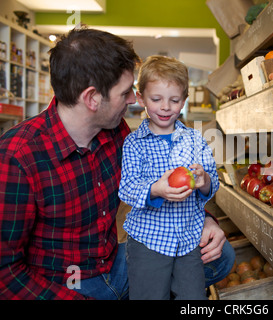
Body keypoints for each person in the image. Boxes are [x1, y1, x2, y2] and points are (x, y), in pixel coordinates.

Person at [0, 27, 234, 300]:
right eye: (125, 93)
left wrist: (204, 220)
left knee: (221, 255)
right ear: (92, 98)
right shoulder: (18, 157)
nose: (135, 100)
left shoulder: (115, 130)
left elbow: (160, 181)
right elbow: (6, 272)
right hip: (68, 285)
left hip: (116, 265)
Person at [118, 55, 220, 300]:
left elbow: (212, 181)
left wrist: (204, 179)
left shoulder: (195, 139)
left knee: (193, 297)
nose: (165, 107)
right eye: (156, 99)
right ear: (141, 98)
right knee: (149, 295)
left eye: (174, 100)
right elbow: (127, 187)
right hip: (148, 241)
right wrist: (155, 189)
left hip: (188, 239)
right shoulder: (134, 143)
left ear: (183, 101)